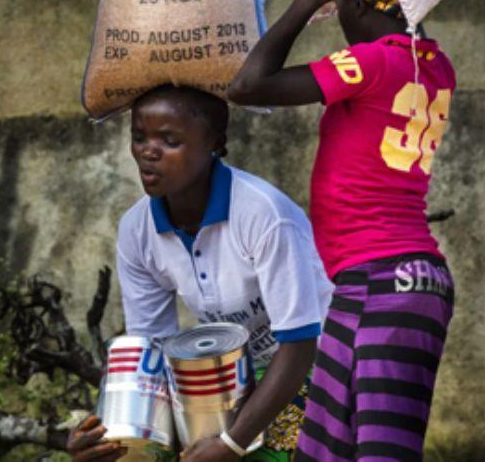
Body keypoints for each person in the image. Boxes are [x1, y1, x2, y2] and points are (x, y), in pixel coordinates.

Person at [226, 0, 458, 460]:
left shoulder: (374, 62)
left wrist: (308, 0)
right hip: (382, 284)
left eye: (340, 0)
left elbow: (248, 86)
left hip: (386, 286)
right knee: (324, 450)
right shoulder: (432, 62)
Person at [68, 85, 334, 461]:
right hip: (232, 381)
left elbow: (301, 345)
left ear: (214, 143)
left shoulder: (263, 215)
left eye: (169, 139)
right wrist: (117, 439)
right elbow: (153, 352)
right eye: (139, 137)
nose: (148, 151)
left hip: (317, 370)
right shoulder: (137, 229)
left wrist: (231, 444)